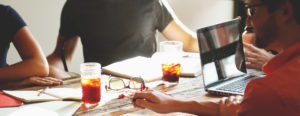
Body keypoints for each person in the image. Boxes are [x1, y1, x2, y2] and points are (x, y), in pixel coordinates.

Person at [132, 0, 300, 115]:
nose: (249, 21)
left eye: (253, 10)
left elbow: (257, 104)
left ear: (285, 11)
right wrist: (176, 104)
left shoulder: (267, 94)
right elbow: (239, 109)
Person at [47, 0, 199, 78]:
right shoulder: (76, 5)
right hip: (100, 91)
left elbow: (188, 42)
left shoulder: (151, 2)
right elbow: (61, 56)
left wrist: (220, 43)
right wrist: (44, 69)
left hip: (146, 88)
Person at [0, 4, 62, 89]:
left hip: (5, 85)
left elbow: (40, 65)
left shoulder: (4, 13)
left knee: (53, 73)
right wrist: (14, 84)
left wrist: (17, 83)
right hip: (5, 86)